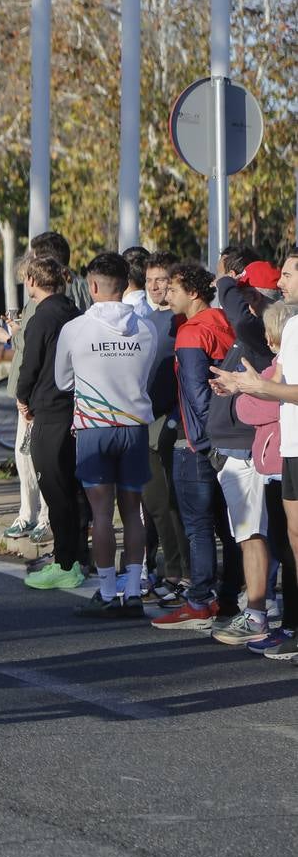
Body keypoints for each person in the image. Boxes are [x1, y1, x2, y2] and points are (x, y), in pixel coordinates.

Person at [53, 252, 157, 617]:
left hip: (95, 428)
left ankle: (108, 591)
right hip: (133, 427)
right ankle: (132, 591)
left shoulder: (75, 329)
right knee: (133, 513)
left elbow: (62, 381)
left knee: (101, 514)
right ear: (126, 284)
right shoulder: (146, 329)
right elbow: (145, 377)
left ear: (92, 286)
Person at [152, 263, 241, 631]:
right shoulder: (225, 321)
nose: (165, 295)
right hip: (234, 436)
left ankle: (200, 600)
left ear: (192, 292)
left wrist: (205, 442)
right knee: (231, 526)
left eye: (171, 288)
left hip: (198, 443)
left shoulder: (190, 333)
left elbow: (196, 393)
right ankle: (230, 594)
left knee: (199, 526)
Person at [200, 258, 284, 643]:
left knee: (253, 533)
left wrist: (224, 279)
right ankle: (262, 607)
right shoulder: (256, 329)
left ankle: (256, 613)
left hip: (246, 449)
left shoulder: (258, 326)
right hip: (240, 446)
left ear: (254, 295)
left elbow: (233, 305)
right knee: (256, 533)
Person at [16, 257, 84, 589]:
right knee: (73, 490)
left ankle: (65, 562)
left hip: (50, 408)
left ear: (32, 280)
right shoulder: (73, 311)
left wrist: (22, 396)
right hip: (75, 406)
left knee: (56, 490)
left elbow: (31, 364)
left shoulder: (41, 317)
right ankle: (76, 556)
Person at [139, 251, 188, 599]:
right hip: (144, 419)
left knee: (172, 503)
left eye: (162, 281)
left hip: (170, 423)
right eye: (150, 281)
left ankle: (182, 574)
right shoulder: (145, 320)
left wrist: (174, 418)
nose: (156, 288)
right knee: (155, 503)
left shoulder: (182, 321)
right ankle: (169, 569)